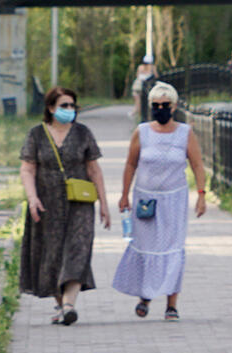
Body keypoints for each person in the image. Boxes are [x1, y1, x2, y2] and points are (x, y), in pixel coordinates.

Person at [113, 82, 207, 322]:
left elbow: (197, 164)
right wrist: (124, 194)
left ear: (174, 106)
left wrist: (201, 194)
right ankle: (145, 296)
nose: (161, 109)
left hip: (174, 200)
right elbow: (131, 164)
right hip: (146, 200)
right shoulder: (142, 132)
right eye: (156, 105)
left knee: (172, 248)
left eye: (165, 105)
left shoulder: (185, 133)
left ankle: (171, 304)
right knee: (146, 246)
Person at [20, 86, 110, 326]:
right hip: (47, 203)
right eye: (64, 106)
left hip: (79, 202)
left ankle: (69, 305)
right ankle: (61, 305)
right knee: (51, 255)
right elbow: (28, 168)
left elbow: (94, 169)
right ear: (51, 108)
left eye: (72, 106)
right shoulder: (36, 135)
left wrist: (104, 204)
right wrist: (32, 199)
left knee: (78, 250)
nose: (69, 110)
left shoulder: (83, 134)